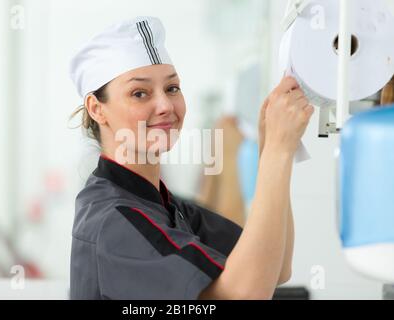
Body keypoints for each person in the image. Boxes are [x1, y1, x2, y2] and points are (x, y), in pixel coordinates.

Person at [69, 16, 314, 300]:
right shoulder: (115, 221)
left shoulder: (166, 207)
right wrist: (278, 152)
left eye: (172, 88)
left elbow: (277, 266)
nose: (165, 105)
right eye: (140, 93)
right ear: (97, 109)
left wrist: (268, 145)